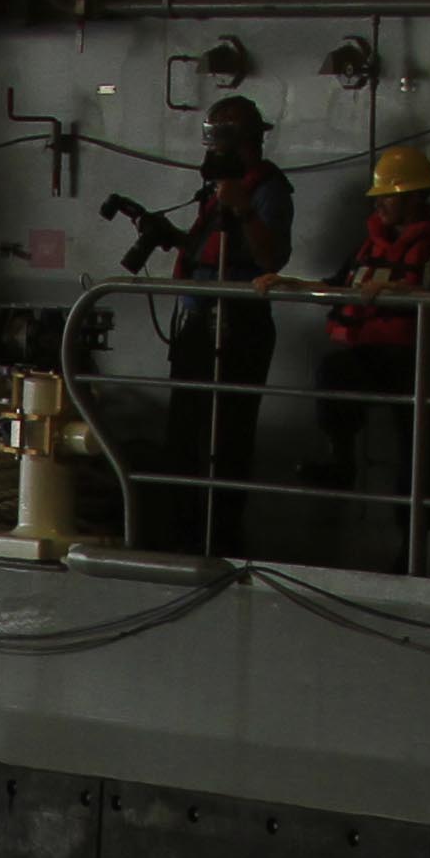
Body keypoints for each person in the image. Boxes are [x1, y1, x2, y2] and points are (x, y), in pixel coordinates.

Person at [140, 95, 296, 558]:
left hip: (239, 326)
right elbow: (203, 249)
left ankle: (221, 536)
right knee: (186, 433)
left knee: (226, 436)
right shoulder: (217, 191)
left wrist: (245, 209)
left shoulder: (269, 192)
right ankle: (183, 534)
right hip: (197, 324)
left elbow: (272, 258)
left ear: (249, 143)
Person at [300, 145, 430, 523]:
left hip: (420, 360)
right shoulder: (370, 243)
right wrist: (285, 282)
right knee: (333, 372)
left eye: (388, 196)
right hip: (374, 354)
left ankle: (411, 546)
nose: (380, 204)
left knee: (416, 458)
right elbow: (336, 285)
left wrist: (405, 292)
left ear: (415, 197)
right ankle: (341, 461)